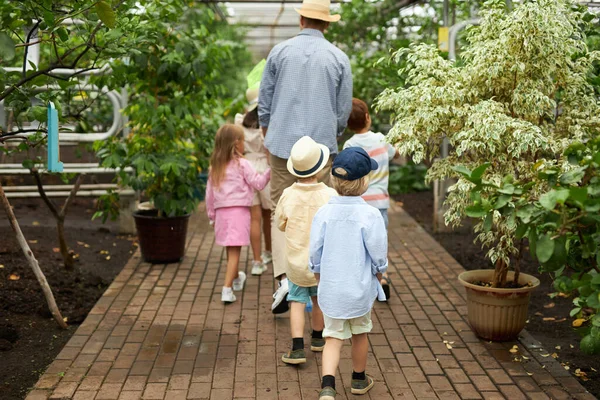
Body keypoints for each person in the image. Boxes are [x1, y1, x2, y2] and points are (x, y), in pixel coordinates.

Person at [258, 0, 353, 314]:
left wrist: (266, 128)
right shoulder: (339, 58)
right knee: (318, 208)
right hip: (321, 149)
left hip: (281, 143)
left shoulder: (279, 52)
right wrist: (332, 134)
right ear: (326, 24)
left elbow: (265, 97)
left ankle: (285, 279)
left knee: (280, 209)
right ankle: (315, 278)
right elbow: (342, 111)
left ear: (301, 20)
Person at [309, 147, 388, 399]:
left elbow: (315, 251)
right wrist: (380, 273)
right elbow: (377, 253)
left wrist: (317, 272)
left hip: (331, 289)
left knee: (332, 337)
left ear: (333, 180)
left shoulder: (324, 213)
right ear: (365, 181)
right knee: (360, 334)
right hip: (359, 289)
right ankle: (358, 380)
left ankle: (328, 387)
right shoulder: (370, 214)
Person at [274, 136, 337, 365]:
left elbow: (281, 223)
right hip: (321, 263)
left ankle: (297, 348)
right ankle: (318, 339)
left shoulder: (288, 194)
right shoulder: (329, 195)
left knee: (297, 302)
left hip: (296, 263)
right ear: (319, 170)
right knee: (319, 300)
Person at [205, 124, 271, 304]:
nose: (245, 144)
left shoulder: (215, 167)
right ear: (236, 144)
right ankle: (227, 289)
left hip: (221, 215)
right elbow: (258, 183)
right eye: (243, 141)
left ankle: (235, 279)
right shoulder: (242, 164)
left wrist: (212, 216)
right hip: (239, 213)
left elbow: (209, 195)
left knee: (230, 248)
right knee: (235, 251)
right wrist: (270, 170)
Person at [344, 98, 400, 301]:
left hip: (358, 203)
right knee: (379, 240)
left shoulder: (350, 145)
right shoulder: (381, 139)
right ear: (368, 117)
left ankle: (359, 280)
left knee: (358, 241)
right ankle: (382, 277)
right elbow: (396, 153)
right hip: (380, 203)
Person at [235, 87, 272, 276]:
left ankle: (257, 261)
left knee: (254, 217)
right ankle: (269, 252)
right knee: (269, 215)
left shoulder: (240, 121)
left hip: (247, 168)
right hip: (266, 168)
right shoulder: (268, 121)